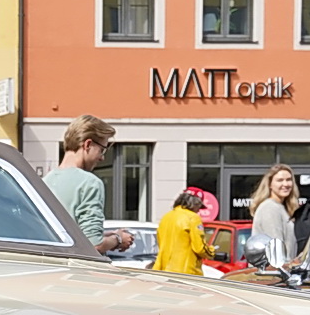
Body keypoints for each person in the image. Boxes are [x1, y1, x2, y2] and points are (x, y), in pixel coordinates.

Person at [43, 115, 134, 255]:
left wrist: (106, 236)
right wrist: (118, 239)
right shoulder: (89, 183)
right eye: (102, 149)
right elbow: (94, 245)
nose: (102, 157)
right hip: (76, 270)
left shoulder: (46, 181)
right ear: (88, 145)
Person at [249, 164, 301, 262]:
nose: (285, 184)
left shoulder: (281, 208)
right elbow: (276, 250)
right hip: (273, 273)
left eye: (289, 179)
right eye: (280, 180)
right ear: (270, 184)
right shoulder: (270, 208)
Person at [152, 190, 209, 274]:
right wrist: (211, 251)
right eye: (199, 207)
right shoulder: (193, 218)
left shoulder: (166, 217)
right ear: (195, 204)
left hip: (163, 269)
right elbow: (200, 248)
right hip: (187, 272)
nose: (198, 211)